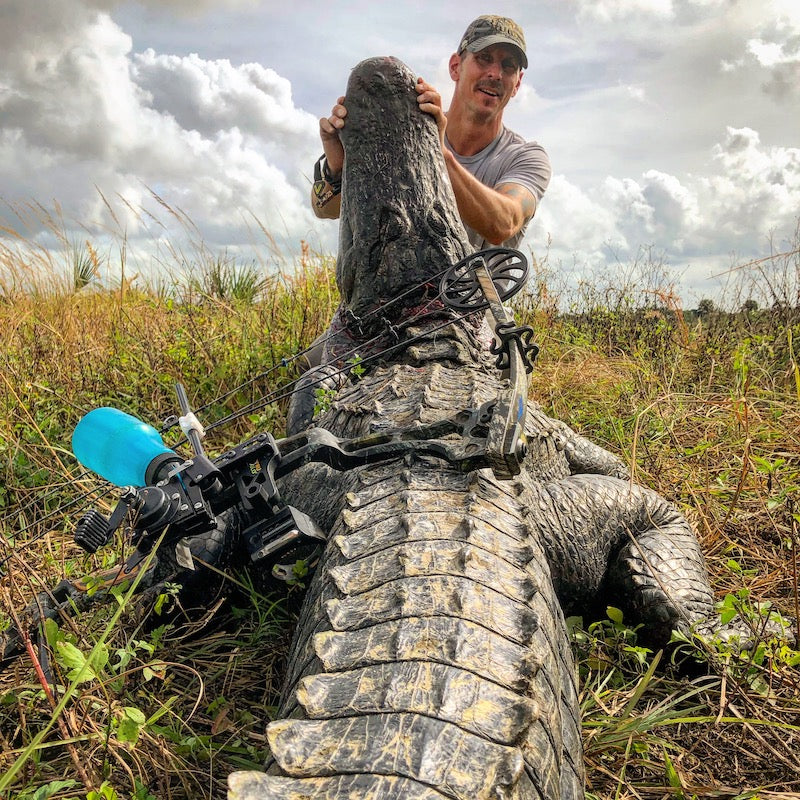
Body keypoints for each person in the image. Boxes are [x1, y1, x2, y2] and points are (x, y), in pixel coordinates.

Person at [311, 14, 551, 252]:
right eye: (483, 59)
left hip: (477, 292)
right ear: (455, 67)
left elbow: (503, 224)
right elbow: (324, 209)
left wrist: (436, 151)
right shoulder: (406, 137)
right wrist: (340, 170)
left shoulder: (527, 157)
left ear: (517, 83)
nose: (495, 74)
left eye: (508, 66)